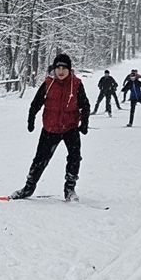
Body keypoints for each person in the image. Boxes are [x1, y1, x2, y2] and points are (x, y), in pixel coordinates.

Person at [10, 54, 90, 202]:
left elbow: (85, 105)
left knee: (74, 158)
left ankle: (70, 189)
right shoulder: (48, 83)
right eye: (58, 68)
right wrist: (31, 119)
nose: (60, 71)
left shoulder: (76, 84)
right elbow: (36, 102)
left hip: (70, 128)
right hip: (50, 128)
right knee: (40, 159)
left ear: (69, 69)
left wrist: (84, 123)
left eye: (64, 68)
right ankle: (28, 188)